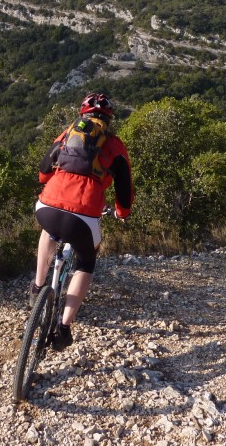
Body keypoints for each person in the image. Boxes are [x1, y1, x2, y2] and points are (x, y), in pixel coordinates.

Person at [31, 92, 134, 350]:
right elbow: (124, 188)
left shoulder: (67, 134)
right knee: (86, 263)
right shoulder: (115, 146)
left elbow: (44, 169)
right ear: (108, 120)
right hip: (83, 214)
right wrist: (122, 212)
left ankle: (38, 284)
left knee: (48, 231)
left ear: (82, 115)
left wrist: (49, 183)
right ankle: (64, 328)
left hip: (48, 205)